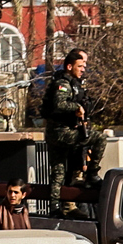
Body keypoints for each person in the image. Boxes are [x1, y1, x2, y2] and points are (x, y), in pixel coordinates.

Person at [41, 47, 99, 195]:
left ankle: (63, 206)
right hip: (62, 131)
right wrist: (77, 107)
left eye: (85, 65)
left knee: (65, 172)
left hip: (73, 129)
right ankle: (60, 207)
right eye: (81, 65)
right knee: (62, 171)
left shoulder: (77, 84)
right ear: (70, 66)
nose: (83, 68)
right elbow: (60, 104)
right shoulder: (63, 83)